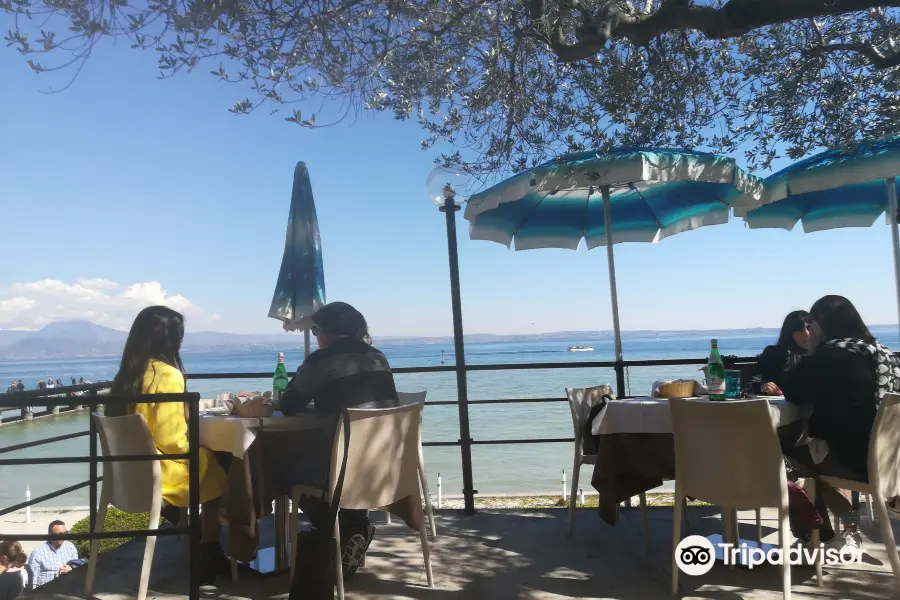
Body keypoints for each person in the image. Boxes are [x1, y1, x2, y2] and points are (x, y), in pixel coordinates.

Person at [106, 306, 229, 584]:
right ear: (172, 340)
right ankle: (210, 550)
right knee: (219, 462)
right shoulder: (168, 376)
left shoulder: (127, 374)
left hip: (126, 474)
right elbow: (172, 441)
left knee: (207, 459)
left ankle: (186, 525)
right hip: (159, 474)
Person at [278, 302, 399, 577]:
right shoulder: (379, 356)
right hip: (384, 460)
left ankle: (337, 527)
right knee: (342, 458)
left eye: (317, 329)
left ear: (325, 332)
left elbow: (289, 405)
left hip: (343, 465)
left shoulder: (319, 360)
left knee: (280, 469)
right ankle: (352, 526)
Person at [785, 295, 900, 553]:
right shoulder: (882, 352)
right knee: (817, 450)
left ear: (822, 322)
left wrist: (812, 351)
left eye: (811, 324)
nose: (810, 330)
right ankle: (844, 529)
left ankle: (815, 534)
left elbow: (794, 391)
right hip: (890, 460)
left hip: (853, 461)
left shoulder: (832, 353)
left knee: (782, 457)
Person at [756, 310, 814, 397]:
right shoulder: (774, 353)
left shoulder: (821, 355)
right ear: (789, 333)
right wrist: (764, 386)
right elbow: (754, 381)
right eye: (799, 330)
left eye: (809, 328)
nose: (806, 333)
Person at [26, 521, 78, 588]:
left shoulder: (70, 547)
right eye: (60, 534)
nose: (64, 537)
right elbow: (32, 582)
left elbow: (77, 569)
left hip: (67, 590)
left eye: (65, 533)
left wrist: (71, 569)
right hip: (46, 593)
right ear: (50, 535)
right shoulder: (38, 553)